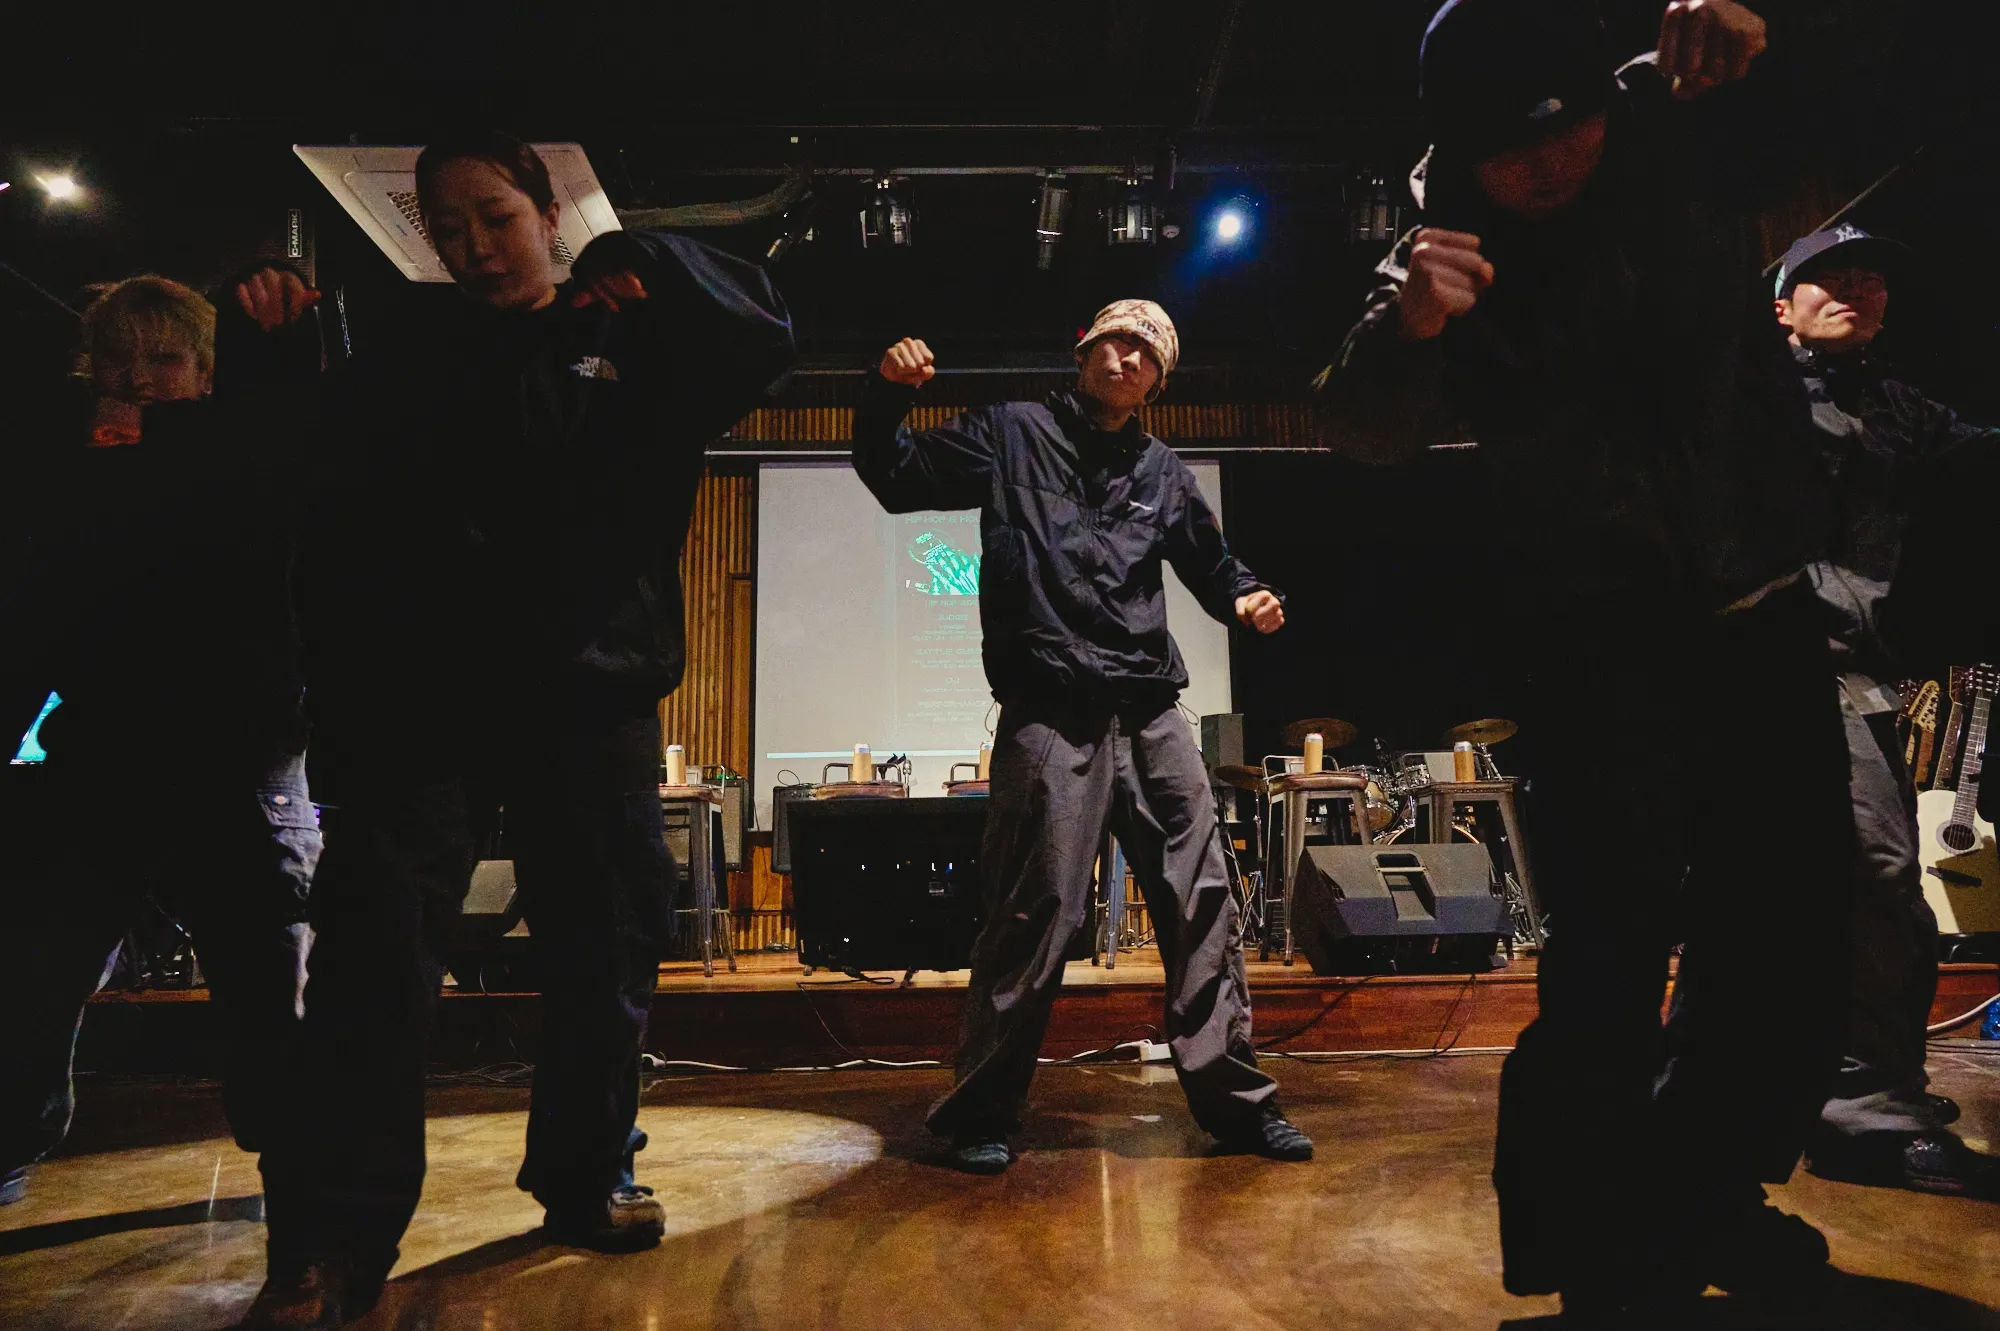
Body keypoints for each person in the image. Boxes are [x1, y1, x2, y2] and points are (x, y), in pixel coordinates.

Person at [1314, 0, 1858, 1316]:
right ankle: (1595, 1251)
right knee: (1609, 953)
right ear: (1462, 148)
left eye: (1570, 133)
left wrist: (1765, 41)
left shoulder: (1677, 125)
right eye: (1512, 150)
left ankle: (1707, 1191)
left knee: (1791, 932)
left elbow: (1863, 125)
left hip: (1760, 604)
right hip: (1601, 641)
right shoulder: (1439, 246)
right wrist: (1408, 330)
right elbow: (1360, 427)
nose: (1550, 164)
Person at [245, 131, 795, 1329]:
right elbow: (317, 499)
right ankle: (344, 1228)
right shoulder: (408, 355)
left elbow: (763, 332)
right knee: (376, 958)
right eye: (448, 229)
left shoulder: (635, 345)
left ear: (549, 215)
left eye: (494, 218)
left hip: (587, 694)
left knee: (605, 947)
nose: (475, 247)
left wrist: (641, 257)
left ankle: (585, 1174)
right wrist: (274, 352)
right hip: (422, 706)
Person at [852, 300, 1312, 1175]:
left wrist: (1247, 595)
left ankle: (1239, 1108)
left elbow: (1213, 564)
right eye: (1117, 341)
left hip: (1150, 713)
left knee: (1202, 902)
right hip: (1050, 710)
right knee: (1033, 911)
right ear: (1084, 350)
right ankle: (982, 1110)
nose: (1128, 358)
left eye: (1147, 353)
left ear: (1157, 383)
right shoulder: (1012, 433)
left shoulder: (1163, 471)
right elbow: (896, 472)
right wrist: (885, 395)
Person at [0, 270, 324, 1207]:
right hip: (102, 755)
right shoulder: (61, 479)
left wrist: (274, 353)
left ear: (208, 373)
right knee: (32, 971)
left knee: (269, 980)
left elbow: (288, 463)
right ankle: (10, 1144)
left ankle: (295, 1169)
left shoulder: (242, 465)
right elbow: (32, 618)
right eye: (117, 358)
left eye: (165, 358)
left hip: (237, 754)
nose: (138, 377)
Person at [1770, 224, 2000, 1199]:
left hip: (1853, 673)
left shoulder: (1896, 406)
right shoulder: (1751, 392)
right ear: (1780, 306)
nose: (1852, 289)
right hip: (1773, 667)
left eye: (1867, 277)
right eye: (1825, 278)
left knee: (1848, 893)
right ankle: (1863, 1111)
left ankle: (1844, 1090)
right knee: (1873, 873)